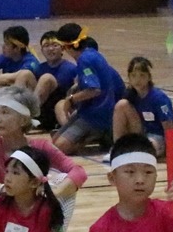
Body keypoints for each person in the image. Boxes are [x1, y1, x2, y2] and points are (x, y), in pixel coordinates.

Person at [0, 85, 87, 232]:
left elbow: (79, 172)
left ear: (23, 120)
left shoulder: (41, 146)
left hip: (32, 211)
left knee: (64, 179)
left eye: (5, 112)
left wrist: (56, 192)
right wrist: (5, 190)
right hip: (1, 210)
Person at [52, 24, 124, 155]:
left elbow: (94, 89)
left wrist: (71, 100)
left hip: (97, 115)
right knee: (55, 140)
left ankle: (96, 134)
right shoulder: (92, 54)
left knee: (61, 147)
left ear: (68, 46)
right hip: (88, 111)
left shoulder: (85, 60)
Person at [111, 57, 173, 158]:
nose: (137, 80)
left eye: (142, 75)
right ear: (129, 78)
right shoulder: (130, 95)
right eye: (133, 76)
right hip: (141, 132)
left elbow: (168, 125)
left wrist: (170, 152)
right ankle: (117, 147)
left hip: (157, 136)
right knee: (121, 105)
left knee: (146, 150)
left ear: (149, 77)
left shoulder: (159, 98)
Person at [31, 32, 79, 133]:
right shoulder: (38, 69)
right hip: (43, 113)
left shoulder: (72, 69)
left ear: (62, 48)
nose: (50, 49)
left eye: (55, 45)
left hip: (62, 109)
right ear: (42, 50)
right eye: (46, 46)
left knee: (47, 78)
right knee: (25, 75)